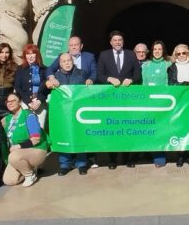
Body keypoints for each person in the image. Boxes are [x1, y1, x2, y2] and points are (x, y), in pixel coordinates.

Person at [96, 31, 142, 169]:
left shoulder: (130, 54)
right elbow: (99, 75)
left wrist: (132, 79)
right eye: (114, 40)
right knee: (112, 128)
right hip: (111, 99)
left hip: (128, 99)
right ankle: (112, 159)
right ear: (111, 42)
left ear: (123, 41)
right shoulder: (104, 55)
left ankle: (128, 158)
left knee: (128, 128)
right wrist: (109, 79)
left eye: (120, 40)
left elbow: (138, 73)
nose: (117, 42)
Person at [46, 53, 91, 175]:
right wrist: (47, 85)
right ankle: (64, 165)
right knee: (63, 136)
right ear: (60, 64)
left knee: (80, 136)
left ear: (73, 61)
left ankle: (82, 163)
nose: (67, 63)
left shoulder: (82, 74)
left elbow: (89, 90)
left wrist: (90, 81)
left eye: (69, 60)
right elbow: (45, 89)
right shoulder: (55, 76)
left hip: (78, 112)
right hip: (63, 113)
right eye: (64, 61)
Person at [2, 92, 47, 187]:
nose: (9, 103)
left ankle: (30, 175)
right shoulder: (7, 119)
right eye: (7, 101)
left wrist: (19, 146)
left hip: (36, 149)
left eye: (13, 101)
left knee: (13, 157)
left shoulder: (29, 116)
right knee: (8, 180)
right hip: (19, 154)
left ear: (20, 102)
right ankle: (30, 168)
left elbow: (36, 139)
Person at [142, 41, 170, 167]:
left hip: (163, 103)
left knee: (160, 130)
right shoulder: (146, 65)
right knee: (150, 130)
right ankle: (151, 154)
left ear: (163, 51)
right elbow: (143, 83)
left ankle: (160, 158)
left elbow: (169, 84)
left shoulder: (168, 65)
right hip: (149, 102)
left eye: (160, 49)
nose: (157, 51)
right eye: (155, 49)